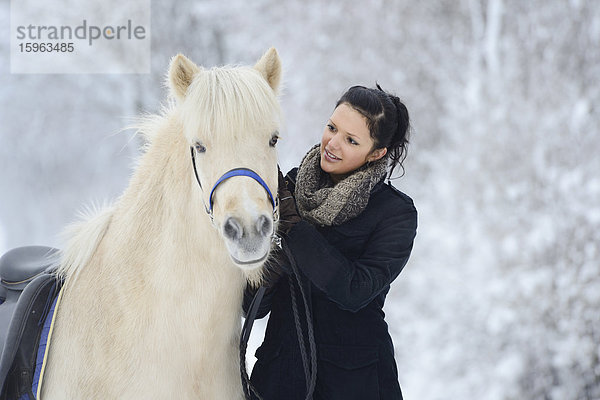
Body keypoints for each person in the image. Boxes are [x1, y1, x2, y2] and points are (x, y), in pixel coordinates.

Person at [244, 84, 418, 400]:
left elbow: (355, 290)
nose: (332, 144)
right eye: (332, 128)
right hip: (279, 379)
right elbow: (251, 308)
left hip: (353, 383)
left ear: (376, 153)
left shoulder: (395, 213)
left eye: (351, 140)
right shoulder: (291, 188)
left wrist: (295, 232)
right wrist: (267, 266)